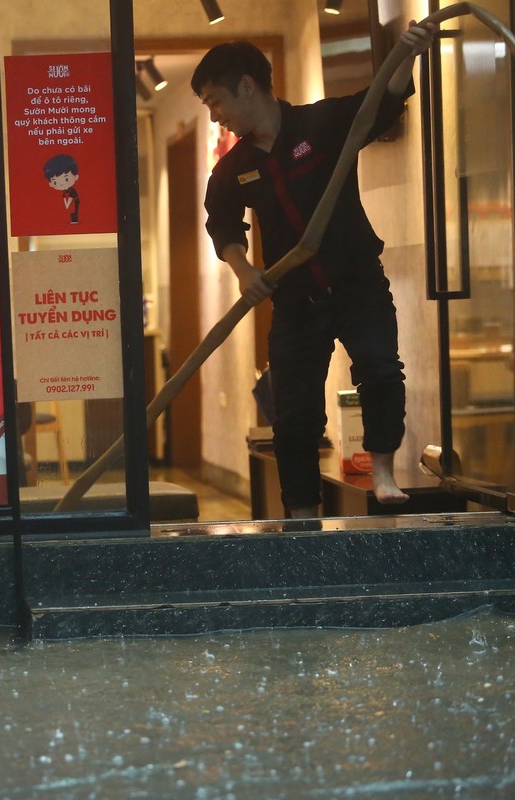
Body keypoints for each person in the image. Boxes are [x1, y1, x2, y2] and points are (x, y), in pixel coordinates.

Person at [192, 21, 437, 519]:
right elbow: (222, 226)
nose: (215, 114)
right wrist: (244, 270)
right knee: (294, 416)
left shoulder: (321, 125)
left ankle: (383, 472)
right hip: (294, 298)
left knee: (380, 369)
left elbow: (383, 104)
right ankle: (301, 512)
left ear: (246, 85)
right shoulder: (230, 168)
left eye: (215, 100)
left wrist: (407, 53)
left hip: (357, 282)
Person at [44, 153, 80, 224]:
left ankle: (74, 220)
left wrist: (67, 204)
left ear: (76, 177)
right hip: (69, 205)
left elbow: (70, 198)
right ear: (51, 184)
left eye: (66, 179)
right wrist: (66, 204)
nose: (61, 184)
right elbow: (64, 198)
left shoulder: (72, 190)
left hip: (74, 203)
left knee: (74, 211)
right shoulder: (65, 191)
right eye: (55, 182)